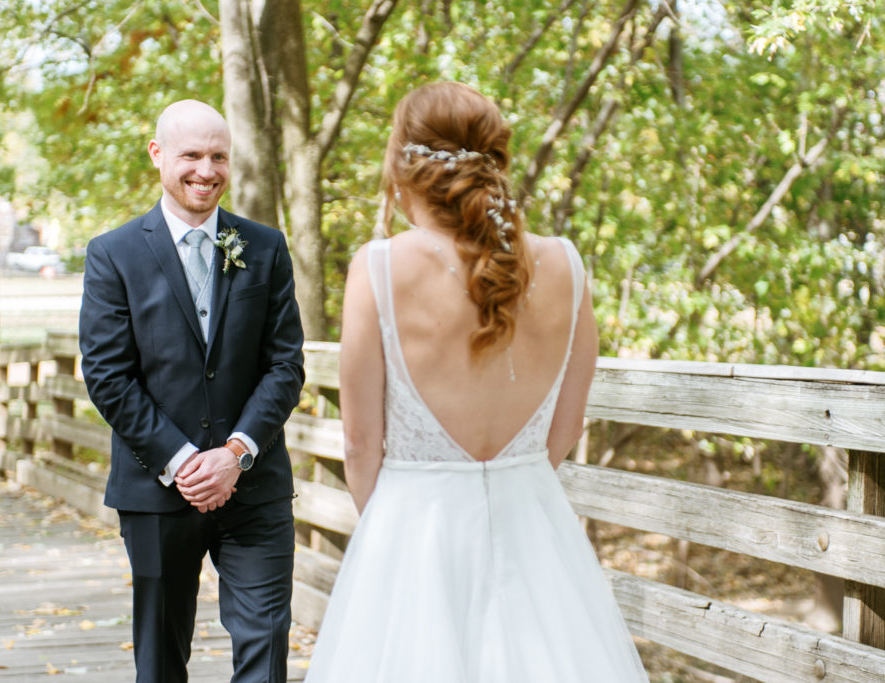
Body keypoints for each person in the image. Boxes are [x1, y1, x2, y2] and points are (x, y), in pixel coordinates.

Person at [305, 82, 647, 681]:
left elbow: (359, 446)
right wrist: (511, 485)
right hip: (534, 528)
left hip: (413, 529)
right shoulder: (565, 264)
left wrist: (390, 530)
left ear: (402, 163)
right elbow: (565, 429)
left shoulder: (379, 268)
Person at [79, 99, 305, 683]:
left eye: (219, 157)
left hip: (254, 487)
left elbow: (285, 365)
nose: (206, 171)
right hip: (156, 489)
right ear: (157, 154)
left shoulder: (265, 247)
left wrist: (234, 454)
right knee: (159, 655)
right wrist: (184, 462)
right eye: (192, 155)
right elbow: (107, 375)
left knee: (266, 640)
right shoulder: (114, 254)